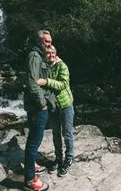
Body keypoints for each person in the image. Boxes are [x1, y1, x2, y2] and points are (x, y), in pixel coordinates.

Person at [38, 45, 75, 177]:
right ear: (45, 55)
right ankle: (58, 158)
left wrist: (46, 81)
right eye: (48, 53)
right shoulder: (46, 67)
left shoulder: (62, 66)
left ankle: (69, 158)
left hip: (65, 105)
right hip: (53, 106)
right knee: (55, 133)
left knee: (67, 133)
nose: (51, 55)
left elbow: (63, 84)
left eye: (53, 53)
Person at [23, 30, 53, 191]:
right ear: (39, 41)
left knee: (34, 139)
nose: (49, 44)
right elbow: (32, 82)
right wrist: (42, 103)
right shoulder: (34, 56)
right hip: (37, 105)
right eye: (47, 41)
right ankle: (29, 180)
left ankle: (31, 164)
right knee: (34, 141)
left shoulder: (40, 55)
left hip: (36, 104)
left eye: (50, 41)